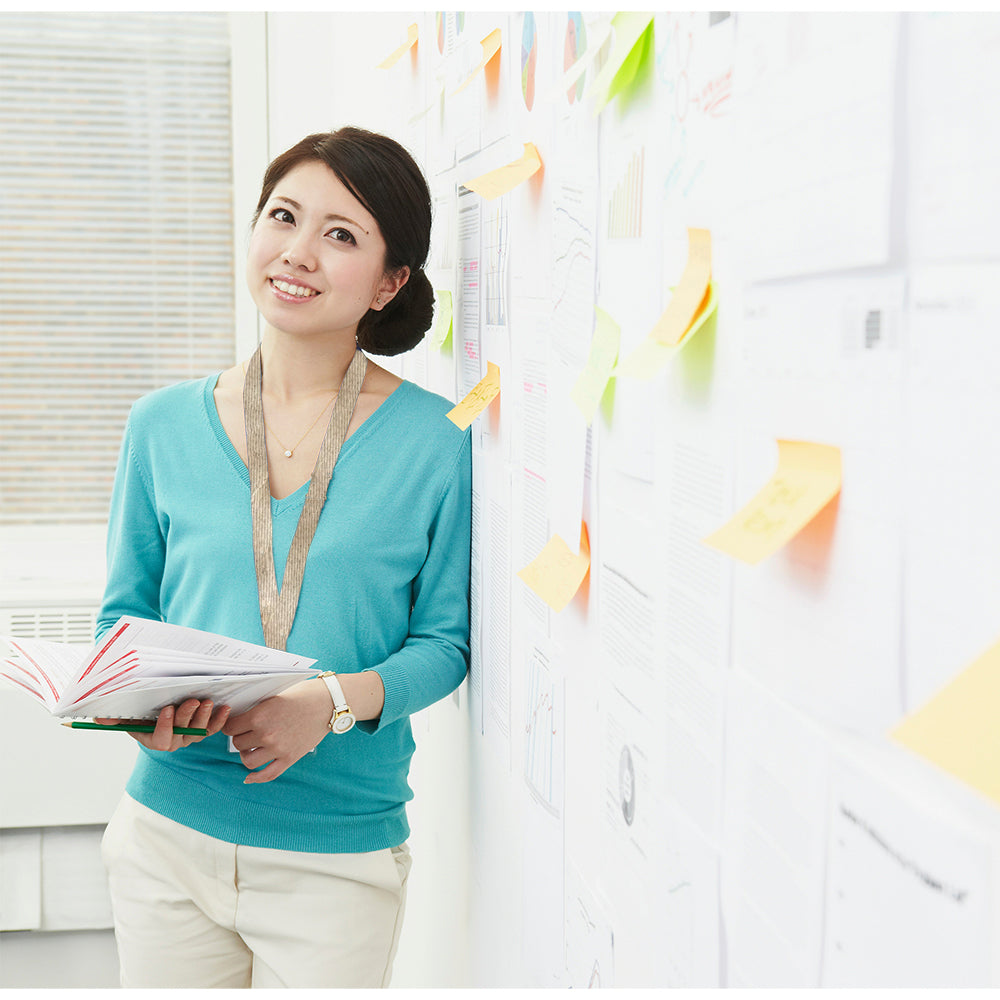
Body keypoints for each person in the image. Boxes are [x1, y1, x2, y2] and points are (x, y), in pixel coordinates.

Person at [95, 127, 472, 988]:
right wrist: (138, 703)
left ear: (391, 280)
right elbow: (123, 619)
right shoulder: (159, 424)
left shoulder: (438, 441)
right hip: (165, 840)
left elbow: (444, 645)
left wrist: (329, 704)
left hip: (335, 858)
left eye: (341, 234)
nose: (298, 253)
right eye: (284, 216)